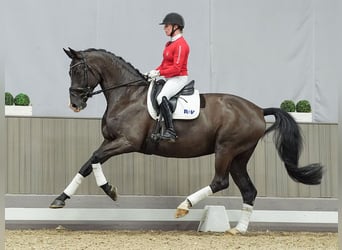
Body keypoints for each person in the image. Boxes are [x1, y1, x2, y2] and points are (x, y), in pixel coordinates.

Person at [148, 12, 190, 142]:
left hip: (179, 78)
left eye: (167, 26)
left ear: (176, 27)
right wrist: (153, 72)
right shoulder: (169, 44)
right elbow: (164, 64)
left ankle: (171, 131)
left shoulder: (182, 45)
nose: (164, 29)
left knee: (161, 97)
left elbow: (177, 68)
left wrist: (160, 73)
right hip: (169, 77)